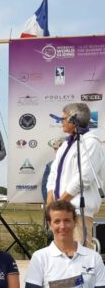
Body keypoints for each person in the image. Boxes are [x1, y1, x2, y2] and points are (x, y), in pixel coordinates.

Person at [45, 102, 104, 247]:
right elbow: (54, 172)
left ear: (74, 119)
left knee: (80, 253)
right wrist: (50, 199)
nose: (61, 122)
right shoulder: (66, 144)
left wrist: (61, 202)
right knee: (62, 252)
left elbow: (84, 177)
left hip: (78, 209)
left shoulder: (90, 143)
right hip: (60, 209)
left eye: (64, 118)